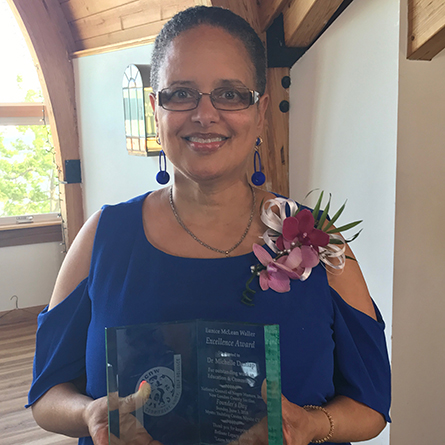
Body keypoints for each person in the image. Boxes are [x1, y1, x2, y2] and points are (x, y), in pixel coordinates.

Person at [27, 6, 391, 445]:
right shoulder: (102, 237)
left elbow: (371, 405)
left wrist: (312, 425)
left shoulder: (320, 240)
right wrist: (89, 414)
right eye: (180, 93)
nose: (204, 114)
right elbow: (46, 395)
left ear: (259, 112)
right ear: (155, 110)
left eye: (231, 94)